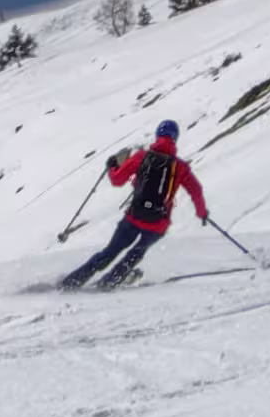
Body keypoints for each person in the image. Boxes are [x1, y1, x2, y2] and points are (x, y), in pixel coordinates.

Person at [58, 119, 205, 291]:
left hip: (134, 217)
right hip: (158, 223)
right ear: (175, 138)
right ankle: (110, 282)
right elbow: (196, 191)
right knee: (136, 253)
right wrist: (202, 213)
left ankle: (72, 282)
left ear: (157, 135)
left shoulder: (142, 156)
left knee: (110, 252)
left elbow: (117, 180)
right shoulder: (180, 167)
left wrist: (112, 166)